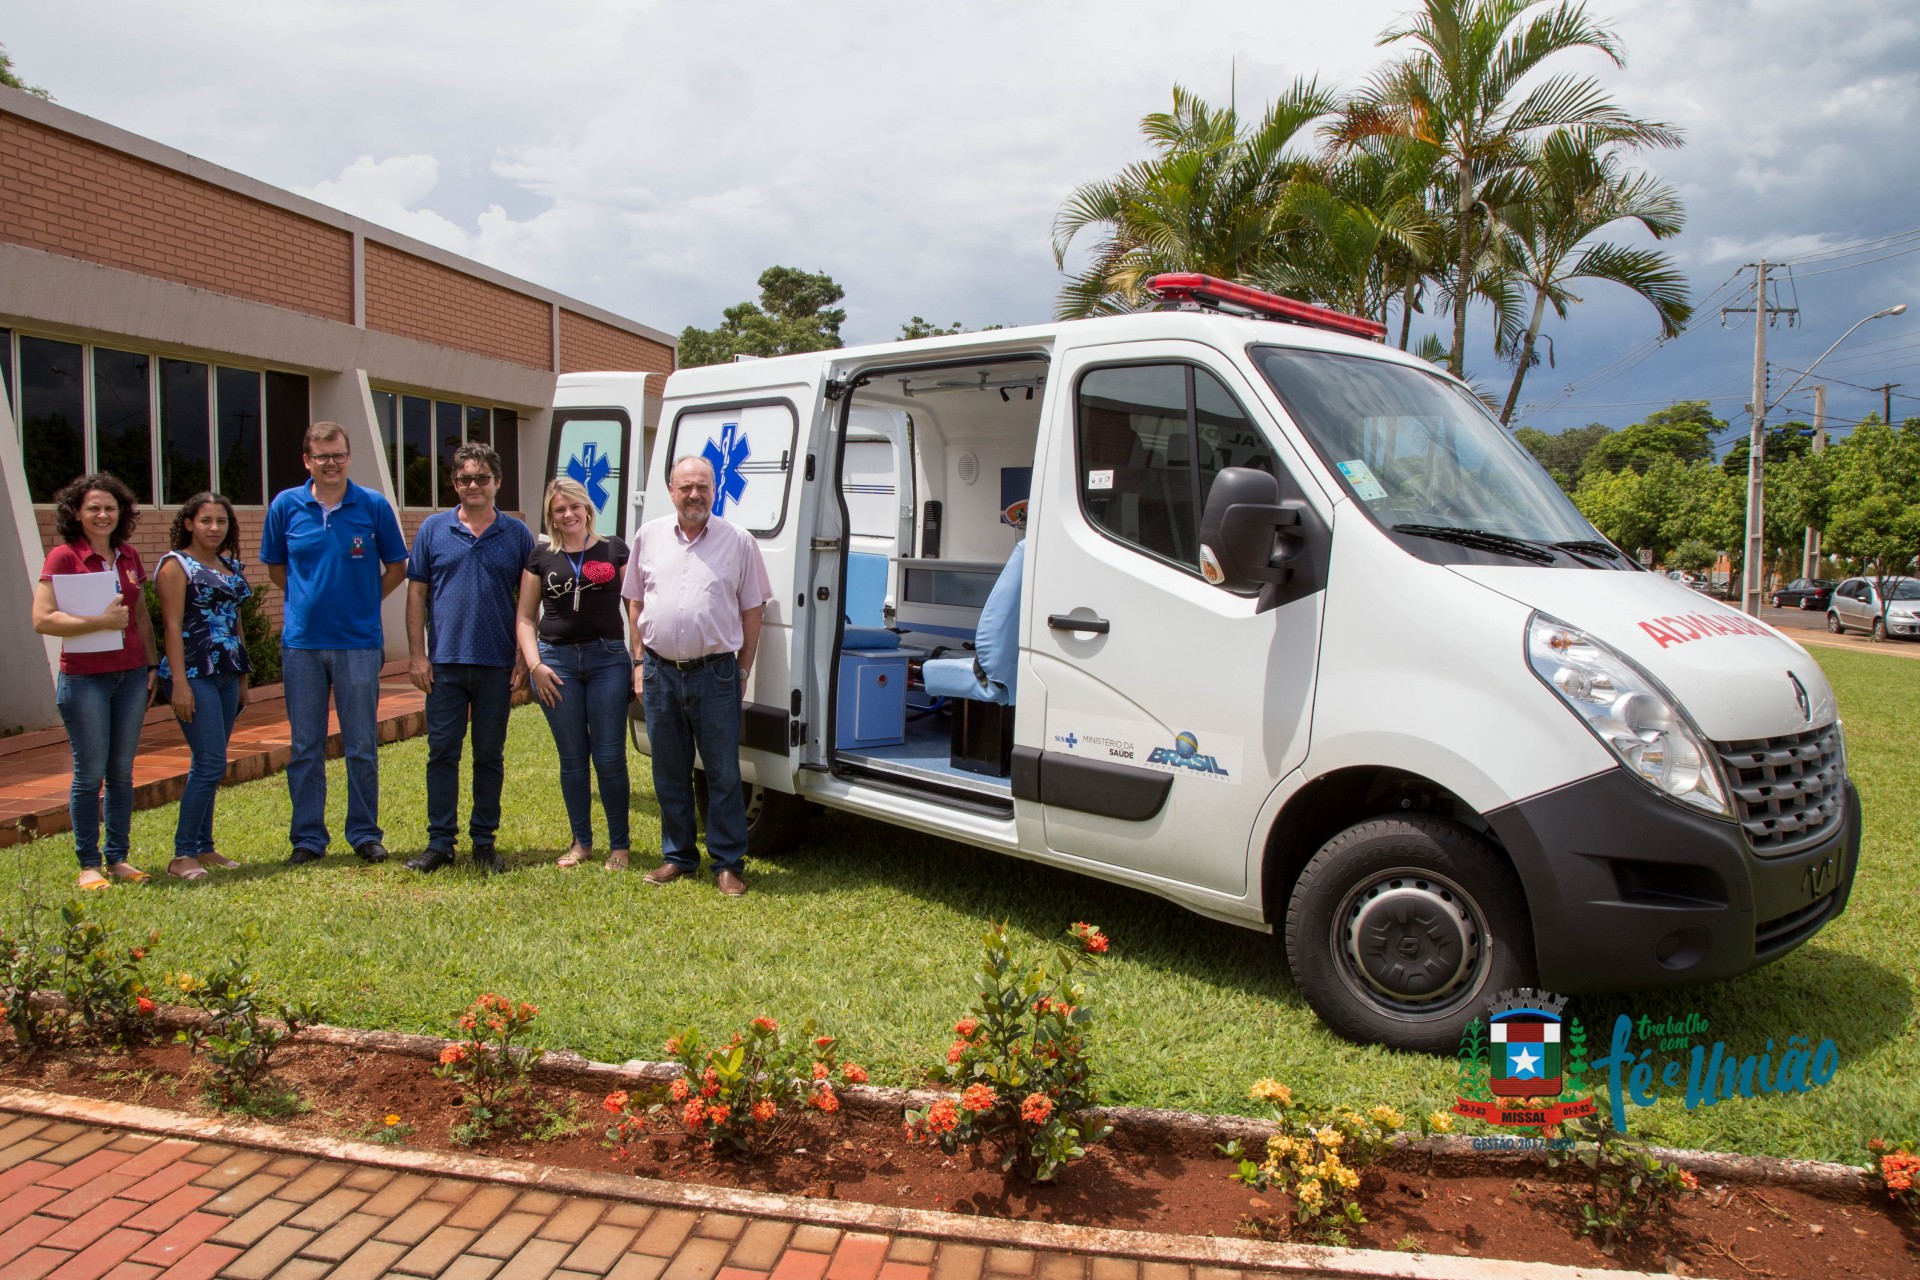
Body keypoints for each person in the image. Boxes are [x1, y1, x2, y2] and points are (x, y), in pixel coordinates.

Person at [622, 454, 772, 896]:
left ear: (715, 489)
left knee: (724, 772)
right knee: (669, 769)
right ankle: (678, 856)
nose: (694, 494)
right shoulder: (648, 537)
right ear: (672, 490)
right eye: (685, 486)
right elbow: (634, 600)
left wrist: (743, 668)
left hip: (716, 674)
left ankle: (727, 864)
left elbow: (753, 609)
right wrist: (637, 661)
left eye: (702, 486)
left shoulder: (738, 541)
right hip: (659, 671)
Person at [260, 422, 408, 866]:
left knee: (360, 743)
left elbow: (397, 567)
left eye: (338, 455)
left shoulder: (372, 505)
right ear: (307, 460)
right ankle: (308, 838)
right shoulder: (286, 506)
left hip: (358, 644)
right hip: (302, 645)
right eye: (322, 456)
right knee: (305, 746)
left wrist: (364, 602)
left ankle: (364, 833)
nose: (331, 463)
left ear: (349, 457)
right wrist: (307, 603)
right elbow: (276, 569)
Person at [403, 442, 532, 874]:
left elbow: (527, 605)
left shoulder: (516, 535)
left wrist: (522, 658)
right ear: (454, 483)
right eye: (464, 479)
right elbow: (416, 593)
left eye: (481, 478)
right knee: (442, 753)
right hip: (444, 664)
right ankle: (440, 843)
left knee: (489, 755)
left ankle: (483, 842)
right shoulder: (433, 530)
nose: (472, 485)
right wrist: (417, 656)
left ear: (497, 482)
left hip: (497, 663)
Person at [30, 473, 160, 890]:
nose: (103, 514)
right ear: (76, 513)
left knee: (121, 773)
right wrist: (99, 622)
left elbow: (139, 615)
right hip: (85, 680)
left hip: (131, 676)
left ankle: (118, 858)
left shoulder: (129, 555)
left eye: (110, 507)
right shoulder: (63, 557)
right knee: (89, 776)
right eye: (93, 508)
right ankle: (89, 863)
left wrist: (153, 665)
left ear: (121, 512)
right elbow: (42, 619)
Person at [516, 479, 632, 871]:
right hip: (556, 664)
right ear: (551, 516)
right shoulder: (539, 556)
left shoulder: (613, 549)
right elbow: (525, 617)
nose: (567, 515)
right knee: (572, 758)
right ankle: (581, 842)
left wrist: (638, 661)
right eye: (558, 510)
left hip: (608, 660)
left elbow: (636, 605)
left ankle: (620, 846)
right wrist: (536, 666)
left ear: (587, 509)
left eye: (573, 507)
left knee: (611, 756)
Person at [155, 492, 252, 881]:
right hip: (194, 673)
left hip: (228, 671)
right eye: (206, 520)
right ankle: (182, 855)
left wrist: (244, 679)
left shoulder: (230, 565)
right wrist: (179, 683)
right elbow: (171, 626)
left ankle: (205, 847)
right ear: (188, 523)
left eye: (221, 521)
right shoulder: (176, 565)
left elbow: (236, 622)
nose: (214, 528)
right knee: (210, 761)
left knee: (211, 760)